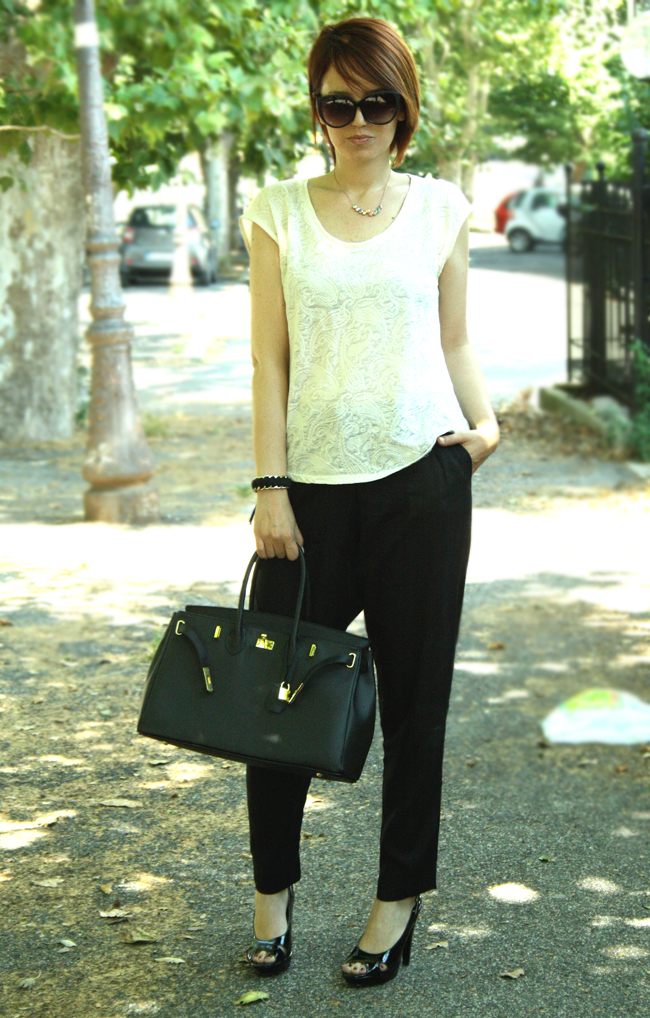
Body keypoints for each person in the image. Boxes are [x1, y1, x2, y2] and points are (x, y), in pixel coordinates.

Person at [237, 16, 499, 988]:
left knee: (416, 710)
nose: (356, 121)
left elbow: (455, 337)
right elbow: (268, 360)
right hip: (306, 500)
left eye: (375, 102)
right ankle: (272, 898)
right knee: (274, 707)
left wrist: (487, 426)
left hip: (420, 488)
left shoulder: (440, 209)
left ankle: (395, 905)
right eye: (337, 103)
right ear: (317, 111)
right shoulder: (276, 210)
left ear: (403, 110)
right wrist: (270, 487)